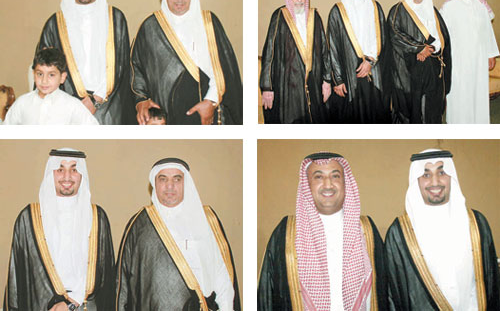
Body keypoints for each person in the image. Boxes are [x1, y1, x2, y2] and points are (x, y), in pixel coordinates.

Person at [258, 152, 388, 311]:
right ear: (307, 184)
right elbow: (267, 295)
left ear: (345, 183)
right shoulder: (286, 232)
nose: (328, 184)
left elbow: (385, 292)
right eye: (318, 177)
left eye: (335, 176)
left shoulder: (366, 229)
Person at [116, 157, 241, 310]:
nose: (170, 186)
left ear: (186, 183)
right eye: (163, 179)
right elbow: (123, 286)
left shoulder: (207, 220)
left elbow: (222, 275)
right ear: (155, 183)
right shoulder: (140, 224)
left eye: (177, 179)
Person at [385, 149, 500, 310]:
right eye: (426, 174)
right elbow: (394, 296)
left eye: (442, 172)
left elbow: (492, 282)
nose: (435, 182)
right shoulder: (399, 234)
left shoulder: (476, 224)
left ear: (451, 176)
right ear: (416, 181)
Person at [3, 148, 115, 310]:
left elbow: (105, 274)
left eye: (74, 170)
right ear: (51, 173)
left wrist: (72, 302)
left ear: (82, 175)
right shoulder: (29, 218)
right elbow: (17, 279)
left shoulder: (97, 217)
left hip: (86, 306)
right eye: (60, 169)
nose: (67, 177)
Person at [131, 0, 243, 125]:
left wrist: (211, 101)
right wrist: (141, 100)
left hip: (207, 113)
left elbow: (225, 68)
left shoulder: (209, 23)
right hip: (166, 115)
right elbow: (136, 67)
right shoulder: (150, 27)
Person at [36, 0, 135, 124]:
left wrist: (96, 99)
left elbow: (121, 65)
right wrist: (74, 105)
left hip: (109, 107)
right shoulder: (55, 24)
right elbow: (44, 69)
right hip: (66, 108)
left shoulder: (115, 18)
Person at [260, 0, 332, 123]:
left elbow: (324, 51)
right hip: (287, 85)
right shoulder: (279, 16)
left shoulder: (314, 17)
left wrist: (327, 80)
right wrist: (267, 87)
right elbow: (269, 54)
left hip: (313, 82)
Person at [327, 0, 392, 123]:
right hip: (349, 74)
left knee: (375, 114)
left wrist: (370, 61)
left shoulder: (375, 8)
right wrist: (338, 79)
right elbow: (333, 48)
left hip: (373, 71)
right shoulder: (338, 11)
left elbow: (382, 38)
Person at [388, 0, 451, 123]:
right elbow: (394, 34)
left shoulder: (432, 10)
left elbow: (442, 36)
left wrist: (430, 49)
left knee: (431, 103)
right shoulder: (398, 10)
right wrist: (418, 48)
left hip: (432, 65)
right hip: (409, 68)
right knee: (413, 106)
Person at [441, 0, 499, 123]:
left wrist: (491, 54)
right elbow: (442, 34)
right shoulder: (449, 7)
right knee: (459, 91)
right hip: (458, 59)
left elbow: (488, 31)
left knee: (478, 90)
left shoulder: (481, 7)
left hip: (479, 59)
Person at [4, 48, 98, 125]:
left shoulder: (73, 106)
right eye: (40, 74)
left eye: (51, 75)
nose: (44, 81)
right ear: (33, 74)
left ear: (62, 77)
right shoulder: (22, 103)